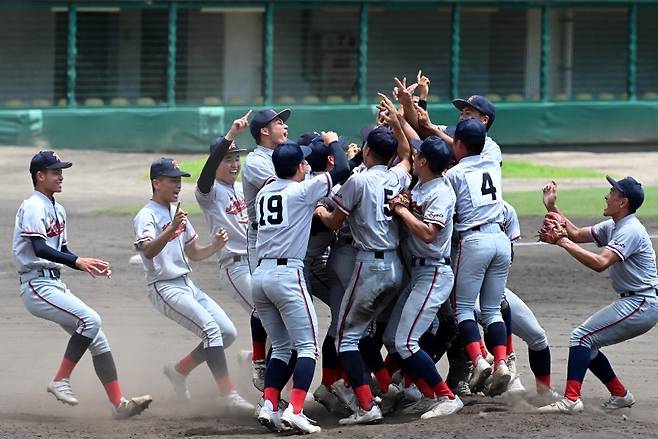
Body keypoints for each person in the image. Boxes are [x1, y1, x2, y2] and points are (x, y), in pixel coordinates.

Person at [13, 150, 152, 418]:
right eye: (55, 172)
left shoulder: (57, 208)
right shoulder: (32, 205)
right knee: (91, 320)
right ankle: (60, 380)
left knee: (98, 340)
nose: (61, 176)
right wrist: (78, 261)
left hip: (53, 285)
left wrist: (86, 264)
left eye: (61, 171)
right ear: (39, 176)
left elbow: (60, 248)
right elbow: (40, 248)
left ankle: (118, 405)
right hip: (35, 286)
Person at [315, 102, 412, 425]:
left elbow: (333, 221)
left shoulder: (359, 181)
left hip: (369, 267)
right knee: (362, 331)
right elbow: (408, 155)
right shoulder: (399, 175)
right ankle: (382, 387)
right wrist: (398, 121)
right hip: (396, 269)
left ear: (367, 150)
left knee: (345, 339)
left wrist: (319, 211)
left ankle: (367, 405)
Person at [133, 157, 252, 412]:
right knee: (211, 330)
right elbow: (148, 251)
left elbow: (194, 253)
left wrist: (215, 247)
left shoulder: (177, 213)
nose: (178, 185)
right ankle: (227, 394)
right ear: (156, 183)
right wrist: (171, 228)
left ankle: (179, 370)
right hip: (163, 287)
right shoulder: (146, 216)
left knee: (227, 333)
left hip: (187, 284)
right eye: (172, 180)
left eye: (179, 180)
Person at [253, 139, 349, 434]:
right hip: (287, 276)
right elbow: (343, 169)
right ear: (297, 167)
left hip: (260, 277)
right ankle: (295, 410)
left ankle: (269, 405)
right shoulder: (302, 191)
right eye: (304, 162)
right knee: (307, 348)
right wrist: (335, 143)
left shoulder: (264, 193)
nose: (307, 165)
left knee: (282, 346)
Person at [537, 177, 658, 413]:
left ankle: (571, 400)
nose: (607, 195)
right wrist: (552, 208)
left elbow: (600, 263)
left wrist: (560, 241)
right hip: (636, 301)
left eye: (612, 192)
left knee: (581, 337)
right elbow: (575, 233)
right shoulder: (615, 225)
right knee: (587, 343)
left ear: (623, 202)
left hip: (642, 303)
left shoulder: (630, 230)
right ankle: (620, 394)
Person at [382, 136, 464, 419]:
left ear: (425, 162)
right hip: (418, 273)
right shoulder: (421, 185)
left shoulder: (441, 192)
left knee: (406, 343)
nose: (413, 158)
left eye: (417, 155)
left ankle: (446, 396)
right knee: (393, 338)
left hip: (434, 272)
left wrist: (402, 210)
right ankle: (425, 394)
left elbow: (429, 233)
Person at [194, 111, 268, 391]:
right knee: (265, 313)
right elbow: (207, 170)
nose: (234, 163)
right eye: (228, 159)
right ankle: (262, 366)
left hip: (255, 262)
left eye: (237, 158)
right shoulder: (208, 193)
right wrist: (231, 135)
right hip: (234, 267)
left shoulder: (239, 188)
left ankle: (253, 356)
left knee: (274, 315)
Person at [445, 119, 512, 396]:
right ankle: (501, 362)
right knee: (492, 310)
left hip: (474, 241)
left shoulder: (454, 174)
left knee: (462, 309)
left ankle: (478, 360)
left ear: (458, 144)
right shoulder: (492, 165)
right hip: (501, 239)